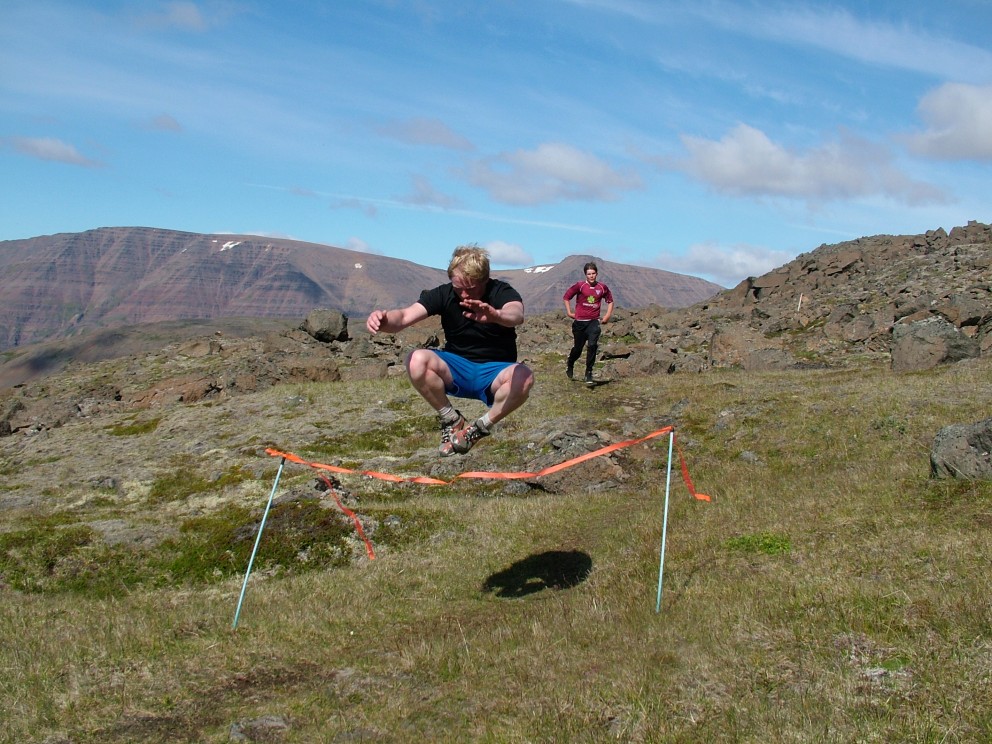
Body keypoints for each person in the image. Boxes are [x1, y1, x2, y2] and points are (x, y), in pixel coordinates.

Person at [366, 245, 534, 457]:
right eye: (458, 288)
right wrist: (383, 320)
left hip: (496, 372)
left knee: (525, 377)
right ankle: (451, 419)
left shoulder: (502, 291)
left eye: (470, 288)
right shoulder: (444, 293)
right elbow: (404, 317)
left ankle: (478, 429)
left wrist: (496, 316)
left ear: (484, 280)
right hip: (457, 367)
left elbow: (516, 315)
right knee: (416, 359)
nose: (463, 294)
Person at [562, 261, 614, 384]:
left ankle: (589, 373)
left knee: (592, 345)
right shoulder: (580, 286)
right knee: (578, 349)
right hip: (580, 323)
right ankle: (570, 363)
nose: (591, 276)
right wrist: (569, 312)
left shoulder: (602, 287)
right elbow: (566, 297)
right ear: (585, 274)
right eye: (589, 274)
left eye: (593, 273)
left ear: (597, 274)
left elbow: (610, 301)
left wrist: (607, 315)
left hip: (593, 322)